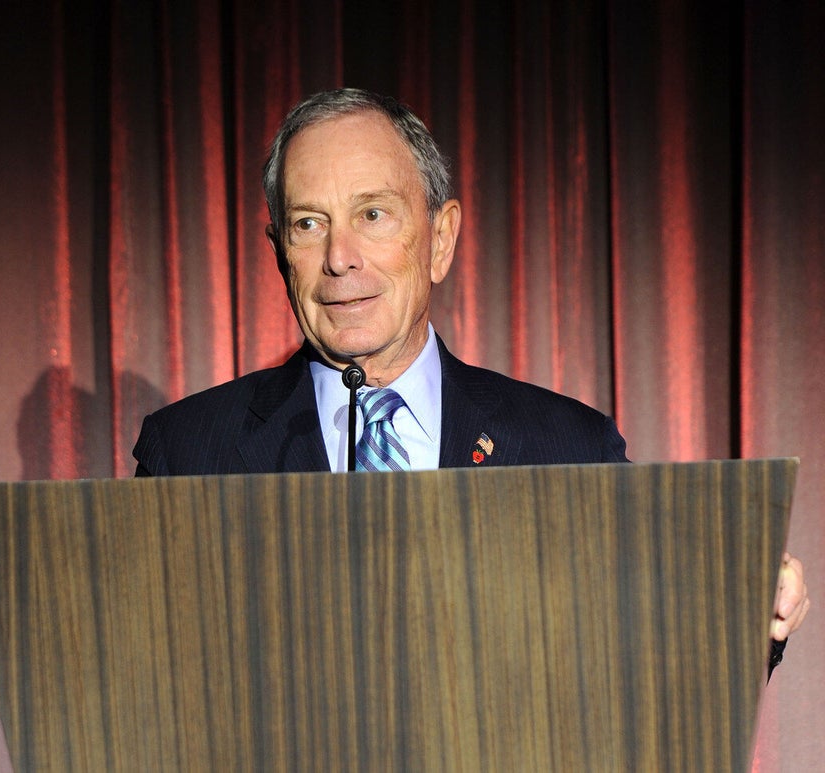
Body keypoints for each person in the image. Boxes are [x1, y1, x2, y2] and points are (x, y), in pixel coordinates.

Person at [133, 88, 808, 662]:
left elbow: (641, 656)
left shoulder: (567, 448)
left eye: (373, 214)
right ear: (281, 251)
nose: (340, 258)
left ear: (441, 238)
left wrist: (748, 613)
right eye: (309, 223)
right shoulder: (189, 451)